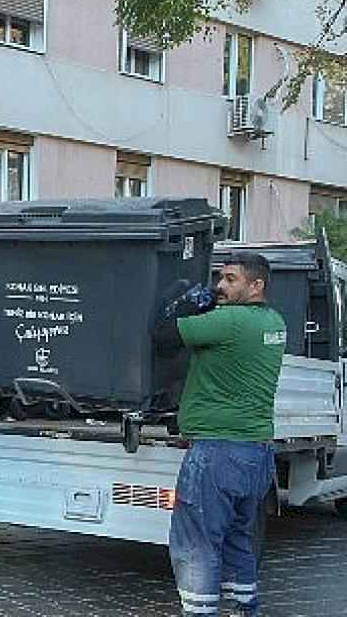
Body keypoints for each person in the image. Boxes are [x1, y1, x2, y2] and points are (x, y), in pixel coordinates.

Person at [155, 252, 285, 617]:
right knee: (236, 539)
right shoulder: (274, 322)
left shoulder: (227, 322)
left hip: (217, 452)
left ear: (256, 285)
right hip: (256, 453)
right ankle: (245, 610)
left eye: (230, 279)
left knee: (195, 545)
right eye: (219, 279)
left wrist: (184, 303)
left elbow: (163, 336)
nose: (219, 286)